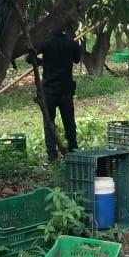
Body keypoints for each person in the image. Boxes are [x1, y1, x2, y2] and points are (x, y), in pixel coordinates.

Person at [29, 23, 83, 161]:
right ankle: (73, 150)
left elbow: (30, 58)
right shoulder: (71, 43)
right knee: (69, 122)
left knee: (49, 123)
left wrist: (43, 62)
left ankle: (52, 155)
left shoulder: (46, 43)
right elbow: (77, 60)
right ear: (65, 29)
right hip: (66, 90)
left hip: (49, 90)